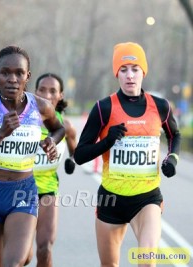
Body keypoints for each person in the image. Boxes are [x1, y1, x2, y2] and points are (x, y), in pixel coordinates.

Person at [74, 42, 181, 267]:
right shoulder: (103, 108)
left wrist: (172, 158)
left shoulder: (160, 106)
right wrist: (108, 141)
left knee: (147, 261)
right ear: (117, 74)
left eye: (135, 69)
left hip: (147, 198)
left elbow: (175, 135)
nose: (130, 75)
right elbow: (80, 155)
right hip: (111, 199)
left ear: (143, 71)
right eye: (123, 70)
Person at [0, 45, 65, 267]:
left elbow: (59, 128)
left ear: (28, 76)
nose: (12, 79)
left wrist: (51, 142)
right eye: (5, 73)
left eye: (19, 73)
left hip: (23, 192)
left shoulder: (39, 106)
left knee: (13, 263)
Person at [33, 73, 77, 267]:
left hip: (48, 190)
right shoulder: (23, 119)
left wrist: (72, 161)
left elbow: (75, 153)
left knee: (45, 248)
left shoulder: (66, 126)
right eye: (42, 89)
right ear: (35, 92)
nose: (46, 94)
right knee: (22, 256)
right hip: (19, 189)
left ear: (60, 95)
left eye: (52, 91)